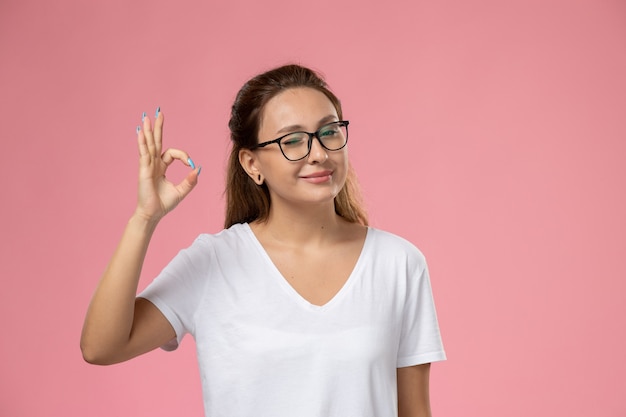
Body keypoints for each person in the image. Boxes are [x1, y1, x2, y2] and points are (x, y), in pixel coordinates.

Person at [81, 64, 446, 417]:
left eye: (330, 131)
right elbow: (101, 346)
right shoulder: (214, 263)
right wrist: (144, 219)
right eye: (293, 140)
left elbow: (414, 411)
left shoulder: (399, 263)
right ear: (252, 163)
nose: (319, 154)